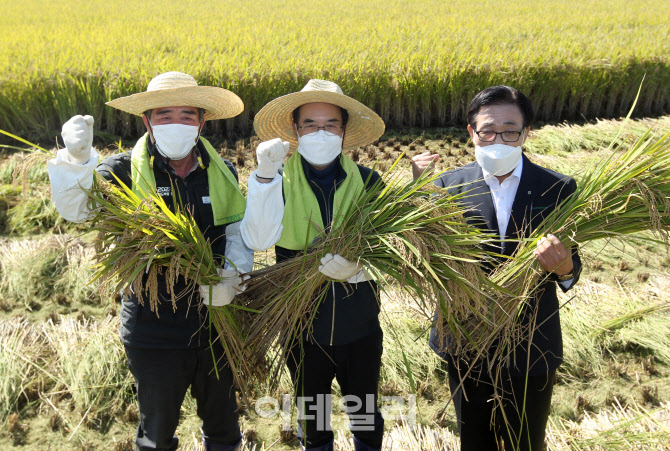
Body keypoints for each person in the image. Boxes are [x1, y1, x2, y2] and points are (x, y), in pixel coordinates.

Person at [46, 71, 253, 451]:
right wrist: (77, 161)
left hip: (217, 324)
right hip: (153, 326)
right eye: (164, 115)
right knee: (156, 436)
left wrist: (233, 275)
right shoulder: (124, 171)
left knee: (224, 431)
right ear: (147, 121)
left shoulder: (221, 170)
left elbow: (238, 231)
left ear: (202, 121)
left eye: (187, 115)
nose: (177, 123)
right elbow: (79, 211)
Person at [412, 85, 582, 451]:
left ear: (526, 133)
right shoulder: (445, 186)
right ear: (471, 132)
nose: (498, 139)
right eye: (487, 130)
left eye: (510, 130)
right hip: (466, 341)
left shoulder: (557, 188)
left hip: (532, 343)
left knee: (526, 442)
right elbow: (426, 260)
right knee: (475, 442)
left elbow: (572, 270)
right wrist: (417, 193)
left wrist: (565, 268)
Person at [240, 79, 386, 451]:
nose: (320, 132)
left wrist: (361, 268)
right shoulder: (278, 181)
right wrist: (264, 179)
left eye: (330, 124)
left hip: (361, 328)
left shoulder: (369, 182)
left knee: (366, 418)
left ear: (343, 130)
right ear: (295, 130)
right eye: (310, 124)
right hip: (303, 333)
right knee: (316, 423)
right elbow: (258, 239)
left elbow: (393, 249)